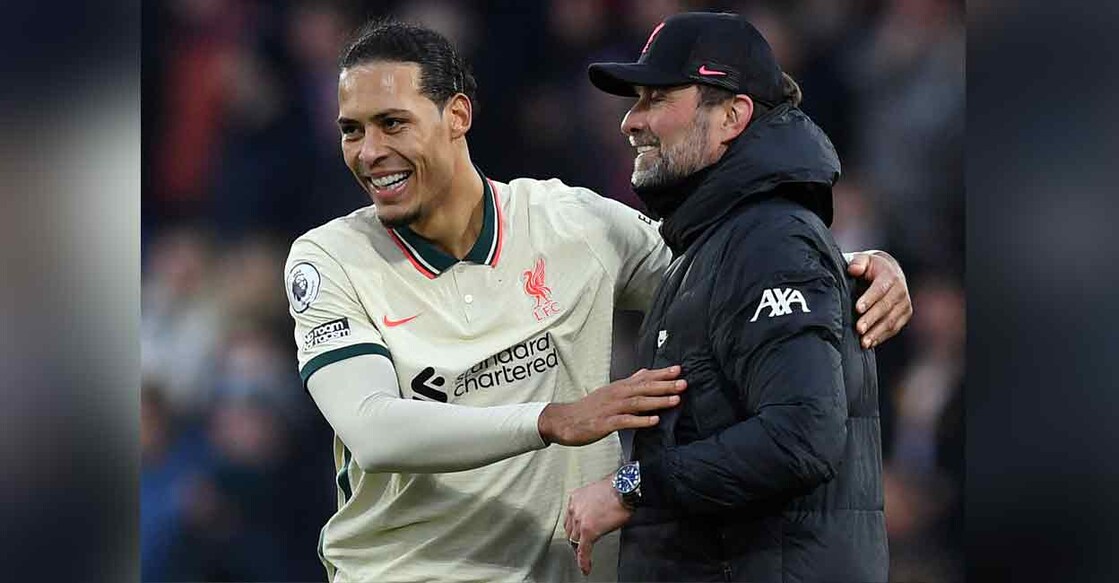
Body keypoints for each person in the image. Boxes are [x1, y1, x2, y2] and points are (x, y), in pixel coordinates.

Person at [284, 18, 908, 582]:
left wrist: (856, 267)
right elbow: (373, 428)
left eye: (393, 123)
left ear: (458, 116)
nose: (369, 153)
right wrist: (553, 419)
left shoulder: (573, 222)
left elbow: (727, 275)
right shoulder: (329, 258)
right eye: (352, 131)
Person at [565, 12, 892, 582]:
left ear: (732, 117)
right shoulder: (730, 240)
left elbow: (801, 435)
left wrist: (630, 487)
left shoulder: (767, 240)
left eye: (656, 98)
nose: (631, 121)